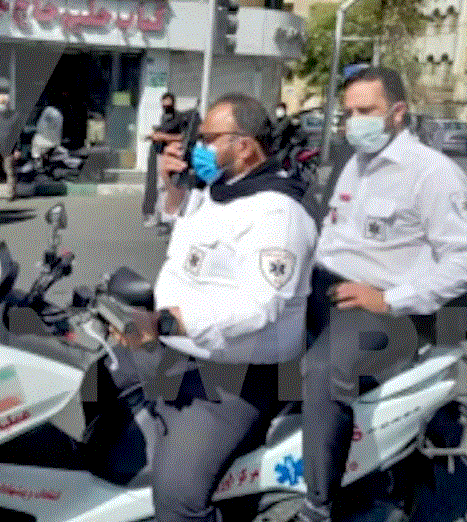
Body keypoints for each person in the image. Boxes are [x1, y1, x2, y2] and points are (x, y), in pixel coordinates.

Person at [113, 93, 318, 522]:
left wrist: (167, 323)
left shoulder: (278, 214)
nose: (197, 147)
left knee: (176, 498)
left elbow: (260, 306)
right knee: (96, 384)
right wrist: (173, 185)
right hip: (176, 353)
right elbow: (181, 233)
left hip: (233, 378)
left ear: (244, 146)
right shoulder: (219, 192)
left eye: (208, 139)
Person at [296, 66, 467, 522]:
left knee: (323, 371)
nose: (353, 122)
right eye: (348, 113)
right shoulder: (354, 163)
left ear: (397, 112)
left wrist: (389, 299)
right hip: (326, 290)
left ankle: (318, 502)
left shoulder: (432, 174)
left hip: (384, 311)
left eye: (366, 111)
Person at [142, 92, 195, 228]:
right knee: (156, 185)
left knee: (166, 186)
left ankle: (166, 217)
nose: (166, 106)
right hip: (158, 152)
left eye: (168, 103)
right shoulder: (164, 117)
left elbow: (182, 137)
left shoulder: (179, 118)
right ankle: (157, 215)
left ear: (173, 103)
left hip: (170, 155)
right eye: (164, 103)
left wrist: (163, 137)